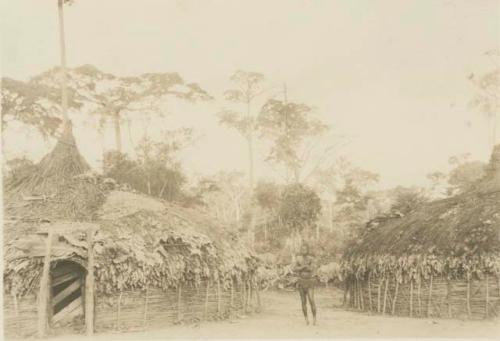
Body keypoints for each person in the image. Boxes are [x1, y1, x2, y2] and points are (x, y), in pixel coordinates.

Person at [293, 243, 317, 325]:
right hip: (301, 281)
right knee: (303, 301)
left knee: (311, 300)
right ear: (300, 250)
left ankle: (314, 318)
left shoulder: (311, 258)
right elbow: (294, 268)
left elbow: (312, 268)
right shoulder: (298, 258)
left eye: (305, 249)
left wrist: (303, 267)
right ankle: (306, 319)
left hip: (309, 281)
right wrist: (303, 267)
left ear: (308, 250)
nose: (304, 251)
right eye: (302, 249)